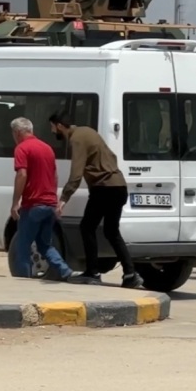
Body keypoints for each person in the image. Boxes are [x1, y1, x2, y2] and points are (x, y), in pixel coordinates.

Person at [50, 112, 143, 289]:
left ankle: (92, 272)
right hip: (118, 186)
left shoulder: (76, 139)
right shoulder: (89, 131)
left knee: (87, 227)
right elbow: (112, 157)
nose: (53, 131)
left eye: (53, 127)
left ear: (59, 126)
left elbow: (76, 174)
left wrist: (63, 199)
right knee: (111, 231)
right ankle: (130, 274)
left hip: (104, 188)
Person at [9, 117, 93, 284]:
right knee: (45, 245)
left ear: (17, 132)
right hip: (49, 204)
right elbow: (54, 176)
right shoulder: (47, 148)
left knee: (23, 245)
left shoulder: (22, 148)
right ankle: (65, 271)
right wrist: (52, 199)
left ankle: (22, 281)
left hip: (33, 205)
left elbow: (22, 174)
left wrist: (15, 202)